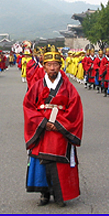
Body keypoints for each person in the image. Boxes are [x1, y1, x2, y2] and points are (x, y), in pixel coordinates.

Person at [24, 46, 84, 207]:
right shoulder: (37, 86)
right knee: (40, 158)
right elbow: (28, 106)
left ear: (60, 66)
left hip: (60, 127)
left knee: (59, 160)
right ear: (43, 66)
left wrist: (60, 125)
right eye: (49, 64)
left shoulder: (68, 87)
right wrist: (43, 123)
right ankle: (44, 193)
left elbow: (75, 108)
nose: (52, 68)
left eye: (55, 64)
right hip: (42, 127)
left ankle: (60, 193)